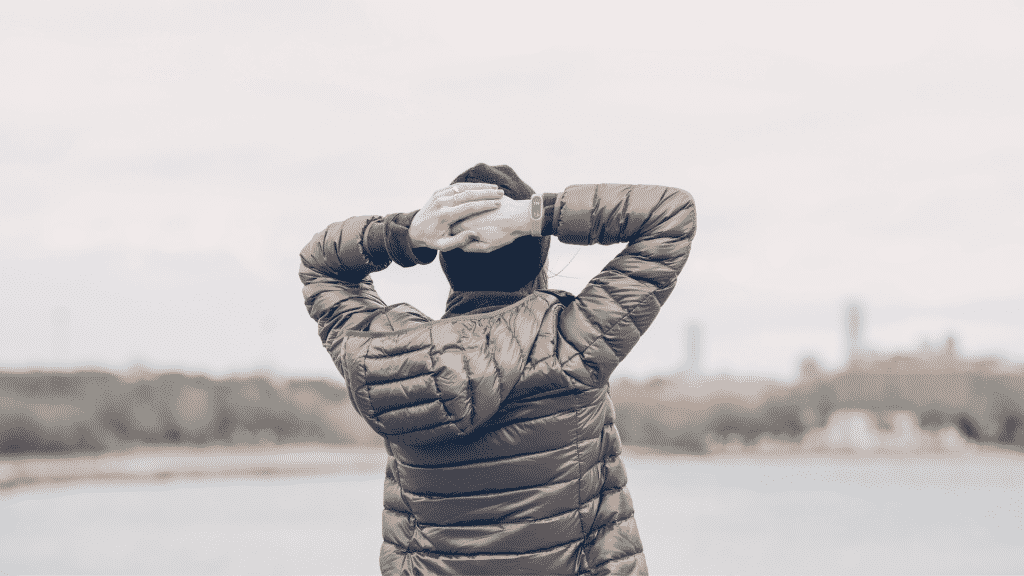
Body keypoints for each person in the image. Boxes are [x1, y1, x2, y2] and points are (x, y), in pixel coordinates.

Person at [300, 163, 696, 575]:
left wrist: (407, 234)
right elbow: (670, 213)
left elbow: (320, 265)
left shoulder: (387, 360)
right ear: (536, 254)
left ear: (446, 261)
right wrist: (533, 216)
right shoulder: (572, 345)